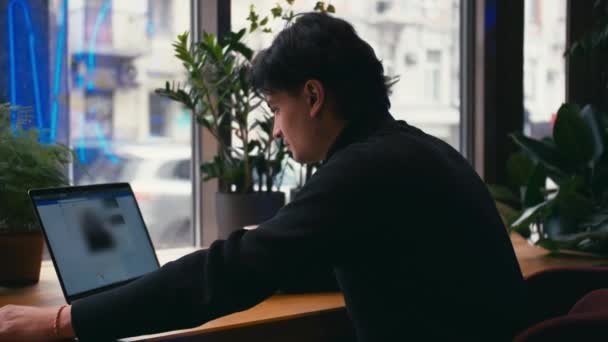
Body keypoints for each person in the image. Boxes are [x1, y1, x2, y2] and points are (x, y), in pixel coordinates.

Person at [0, 12, 528, 341]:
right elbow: (369, 257)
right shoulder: (415, 151)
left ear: (314, 97)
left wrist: (60, 323)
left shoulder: (365, 169)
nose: (275, 130)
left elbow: (232, 275)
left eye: (276, 107)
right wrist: (275, 250)